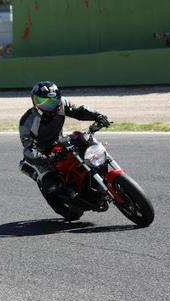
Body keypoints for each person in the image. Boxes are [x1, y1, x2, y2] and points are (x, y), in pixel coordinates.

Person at [18, 81, 109, 220]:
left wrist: (97, 116)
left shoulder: (62, 104)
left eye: (53, 101)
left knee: (85, 143)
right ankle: (65, 201)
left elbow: (79, 110)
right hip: (41, 154)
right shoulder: (28, 121)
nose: (49, 106)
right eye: (43, 102)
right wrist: (45, 159)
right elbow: (29, 148)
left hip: (59, 143)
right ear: (34, 101)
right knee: (51, 182)